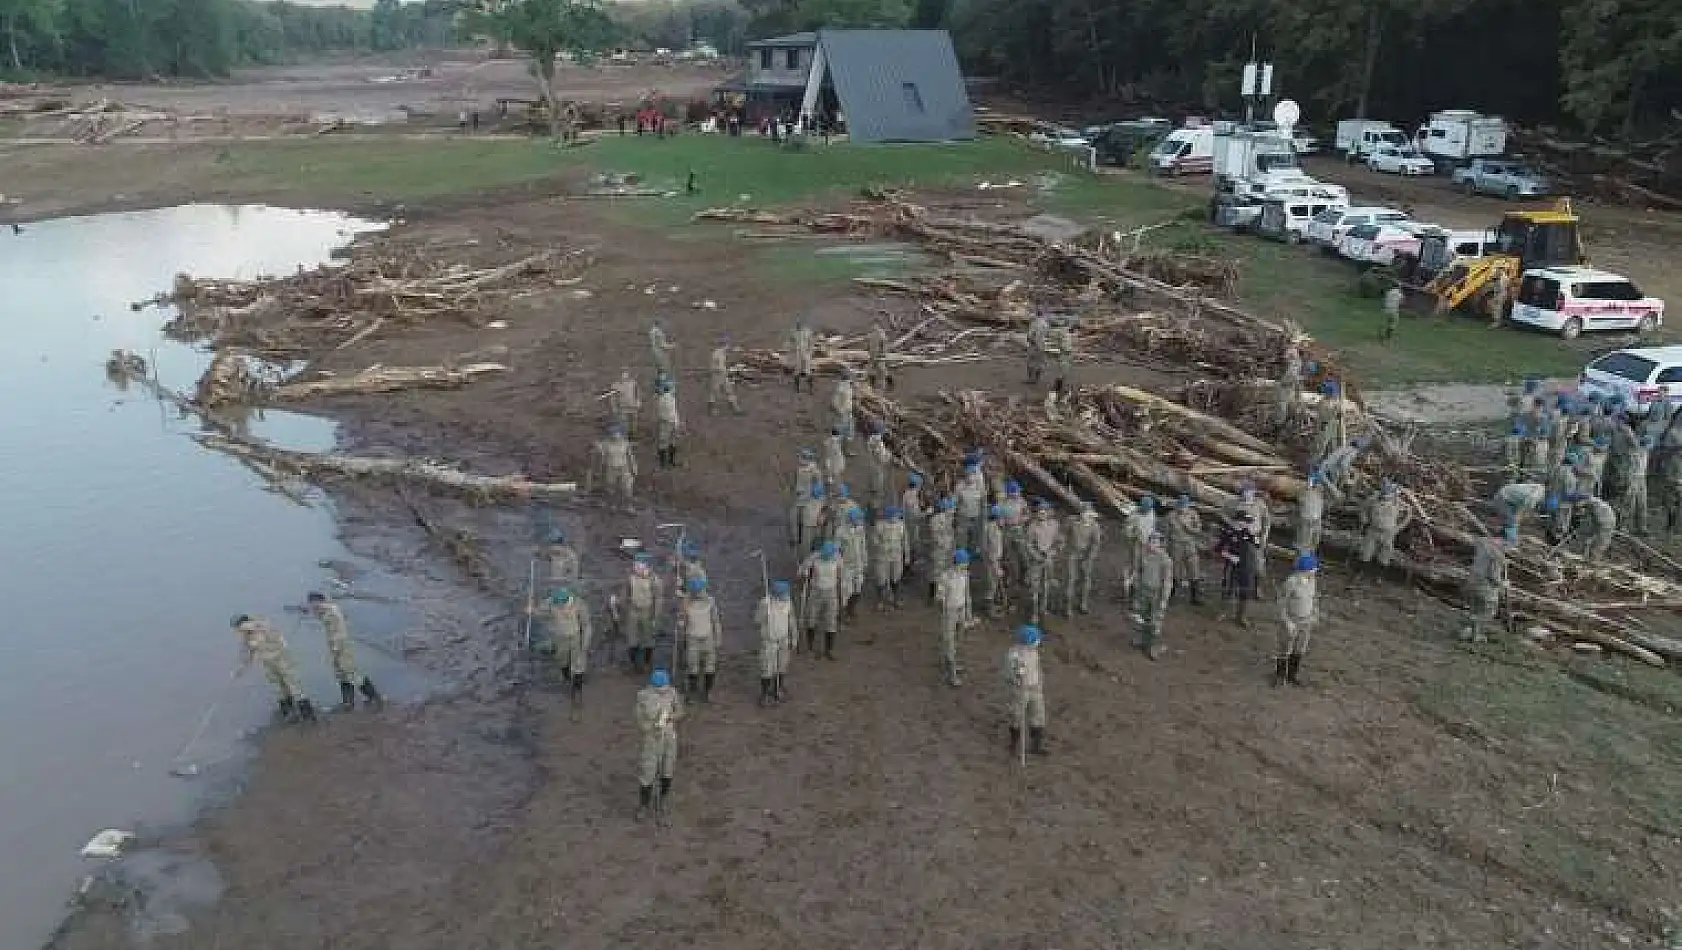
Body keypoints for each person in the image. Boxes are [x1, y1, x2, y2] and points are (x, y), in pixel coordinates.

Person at [233, 614, 316, 723]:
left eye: (239, 627)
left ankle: (307, 712)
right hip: (267, 663)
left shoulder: (264, 627)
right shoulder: (246, 637)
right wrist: (240, 669)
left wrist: (256, 628)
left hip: (282, 659)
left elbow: (278, 638)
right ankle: (288, 712)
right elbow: (246, 654)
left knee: (293, 684)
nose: (239, 631)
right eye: (237, 629)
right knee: (278, 688)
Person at [308, 592, 381, 710]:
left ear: (318, 601)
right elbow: (320, 615)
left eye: (312, 603)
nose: (311, 606)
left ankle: (373, 696)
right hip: (335, 646)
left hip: (342, 646)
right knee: (340, 674)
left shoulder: (332, 613)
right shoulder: (325, 610)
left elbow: (340, 632)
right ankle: (348, 702)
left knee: (351, 673)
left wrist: (336, 650)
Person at [634, 669, 684, 821]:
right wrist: (653, 726)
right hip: (651, 739)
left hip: (669, 737)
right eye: (661, 689)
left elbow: (680, 711)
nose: (664, 692)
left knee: (667, 770)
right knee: (647, 773)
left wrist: (670, 717)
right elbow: (640, 722)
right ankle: (644, 805)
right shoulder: (643, 696)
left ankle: (663, 800)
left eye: (666, 688)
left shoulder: (672, 693)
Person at [1460, 525, 1513, 642]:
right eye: (1507, 544)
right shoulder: (1497, 555)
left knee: (1474, 609)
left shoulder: (1482, 543)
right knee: (1488, 610)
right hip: (1484, 585)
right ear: (1502, 540)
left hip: (1472, 581)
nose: (1507, 548)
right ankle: (1476, 635)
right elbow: (1493, 576)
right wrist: (1503, 584)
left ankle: (1468, 631)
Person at [1275, 553, 1319, 686]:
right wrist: (1287, 621)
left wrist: (1315, 614)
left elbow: (1314, 598)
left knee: (1299, 649)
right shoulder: (1291, 582)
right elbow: (1281, 603)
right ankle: (1279, 676)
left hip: (1306, 621)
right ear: (1304, 570)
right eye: (1313, 569)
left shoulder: (1312, 581)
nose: (1315, 571)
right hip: (1292, 620)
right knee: (1285, 648)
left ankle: (1292, 675)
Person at [545, 588, 593, 710]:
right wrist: (531, 610)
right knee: (562, 660)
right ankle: (566, 676)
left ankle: (577, 690)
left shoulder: (579, 604)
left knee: (578, 664)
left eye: (562, 604)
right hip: (560, 638)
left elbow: (586, 625)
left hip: (575, 638)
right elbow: (541, 610)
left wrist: (585, 644)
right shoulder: (551, 602)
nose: (560, 606)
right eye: (558, 604)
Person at [1354, 480, 1412, 580]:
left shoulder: (1398, 503)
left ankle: (1379, 576)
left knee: (1384, 555)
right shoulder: (1373, 499)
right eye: (1385, 490)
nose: (1386, 494)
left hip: (1388, 533)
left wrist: (1399, 527)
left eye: (1389, 491)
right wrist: (1364, 519)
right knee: (1366, 552)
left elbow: (1409, 513)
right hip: (1373, 530)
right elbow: (1363, 508)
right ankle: (1360, 572)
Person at [1004, 625, 1048, 757]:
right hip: (1020, 690)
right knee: (1017, 716)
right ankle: (1014, 744)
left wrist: (1040, 683)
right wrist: (1016, 674)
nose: (1038, 642)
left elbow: (1038, 669)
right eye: (1036, 640)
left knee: (1038, 716)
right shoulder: (1014, 656)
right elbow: (1008, 675)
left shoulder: (1034, 652)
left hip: (1035, 688)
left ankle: (1036, 745)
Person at [676, 577, 721, 702]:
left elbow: (715, 621)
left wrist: (718, 638)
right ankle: (692, 692)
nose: (700, 592)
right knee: (692, 666)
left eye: (701, 590)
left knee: (710, 666)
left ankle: (708, 691)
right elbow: (682, 620)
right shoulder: (686, 603)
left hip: (708, 638)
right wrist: (680, 623)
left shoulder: (711, 601)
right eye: (697, 590)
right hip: (692, 638)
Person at [935, 550, 975, 686]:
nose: (965, 567)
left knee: (959, 637)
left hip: (961, 609)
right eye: (964, 564)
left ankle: (951, 662)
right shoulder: (945, 577)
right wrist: (945, 613)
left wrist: (968, 612)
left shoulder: (965, 575)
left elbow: (967, 594)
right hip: (949, 611)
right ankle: (952, 674)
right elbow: (939, 598)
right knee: (949, 640)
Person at [1132, 533, 1174, 659]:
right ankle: (1141, 640)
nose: (1152, 545)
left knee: (1155, 621)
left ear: (1160, 544)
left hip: (1157, 593)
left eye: (1155, 542)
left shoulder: (1165, 560)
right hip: (1143, 591)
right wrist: (1135, 585)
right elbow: (1138, 571)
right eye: (1151, 542)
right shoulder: (1144, 555)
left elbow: (1167, 581)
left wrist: (1164, 599)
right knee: (1142, 617)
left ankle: (1153, 647)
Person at [1216, 512, 1262, 627]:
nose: (1246, 524)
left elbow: (1257, 547)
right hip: (1233, 566)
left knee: (1245, 591)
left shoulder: (1250, 534)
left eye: (1248, 522)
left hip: (1247, 566)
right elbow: (1218, 549)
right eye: (1244, 521)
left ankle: (1241, 616)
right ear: (1237, 520)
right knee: (1229, 589)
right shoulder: (1229, 533)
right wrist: (1230, 556)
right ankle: (1223, 612)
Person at [618, 553, 662, 673]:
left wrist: (655, 617)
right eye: (635, 565)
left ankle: (648, 661)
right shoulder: (630, 578)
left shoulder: (654, 580)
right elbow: (624, 594)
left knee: (648, 639)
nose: (636, 567)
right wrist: (621, 607)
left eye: (639, 565)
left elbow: (658, 599)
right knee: (632, 639)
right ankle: (635, 663)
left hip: (647, 612)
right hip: (633, 611)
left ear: (646, 566)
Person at [799, 541, 843, 659]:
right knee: (812, 619)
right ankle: (810, 648)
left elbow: (840, 574)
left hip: (831, 592)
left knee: (831, 621)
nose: (828, 556)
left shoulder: (837, 558)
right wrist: (805, 574)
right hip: (816, 591)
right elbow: (802, 571)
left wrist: (839, 590)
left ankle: (829, 650)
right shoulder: (813, 558)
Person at [756, 580, 797, 706]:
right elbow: (757, 620)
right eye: (783, 593)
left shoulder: (788, 602)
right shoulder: (765, 603)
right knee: (767, 668)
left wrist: (794, 637)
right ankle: (764, 694)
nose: (785, 595)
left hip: (784, 640)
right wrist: (765, 613)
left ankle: (777, 689)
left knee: (782, 666)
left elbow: (792, 621)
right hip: (769, 641)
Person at [1023, 500, 1062, 623]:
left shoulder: (1054, 525)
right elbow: (1028, 544)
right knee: (1035, 588)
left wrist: (1054, 551)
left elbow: (1059, 540)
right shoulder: (1032, 527)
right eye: (1040, 511)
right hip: (1036, 561)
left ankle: (1043, 608)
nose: (1042, 513)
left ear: (1049, 512)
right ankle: (1034, 613)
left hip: (1049, 559)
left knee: (1046, 585)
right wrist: (1036, 556)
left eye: (1044, 511)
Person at [1062, 500, 1103, 615]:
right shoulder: (1072, 521)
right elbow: (1064, 533)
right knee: (1071, 579)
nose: (1086, 515)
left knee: (1085, 580)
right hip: (1073, 554)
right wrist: (1062, 544)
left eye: (1088, 512)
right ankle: (1068, 606)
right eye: (1084, 512)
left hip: (1086, 555)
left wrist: (1090, 558)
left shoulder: (1095, 526)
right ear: (1080, 512)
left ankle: (1083, 603)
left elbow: (1096, 543)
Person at [1165, 494, 1205, 605]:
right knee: (1174, 570)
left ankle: (1195, 596)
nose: (1182, 508)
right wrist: (1165, 547)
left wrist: (1189, 528)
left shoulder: (1193, 514)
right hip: (1175, 545)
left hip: (1190, 545)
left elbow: (1198, 530)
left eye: (1185, 506)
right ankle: (1172, 595)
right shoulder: (1171, 515)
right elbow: (1166, 533)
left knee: (1194, 569)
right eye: (1181, 505)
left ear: (1188, 505)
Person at [871, 506, 910, 610]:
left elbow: (905, 541)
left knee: (896, 578)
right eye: (895, 515)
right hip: (883, 556)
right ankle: (880, 600)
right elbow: (874, 540)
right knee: (881, 579)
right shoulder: (880, 526)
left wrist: (907, 556)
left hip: (896, 555)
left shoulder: (901, 525)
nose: (896, 517)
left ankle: (896, 598)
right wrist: (881, 547)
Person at [1121, 494, 1158, 599]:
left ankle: (1141, 587)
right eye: (1146, 508)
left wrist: (1153, 540)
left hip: (1148, 544)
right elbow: (1126, 531)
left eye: (1149, 508)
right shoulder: (1134, 515)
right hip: (1136, 544)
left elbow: (1153, 528)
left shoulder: (1152, 514)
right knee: (1134, 565)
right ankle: (1130, 588)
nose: (1148, 510)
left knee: (1146, 565)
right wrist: (1134, 535)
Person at [594, 424, 637, 510]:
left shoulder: (625, 443)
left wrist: (634, 467)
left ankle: (629, 506)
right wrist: (600, 469)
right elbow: (601, 453)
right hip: (610, 468)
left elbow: (630, 456)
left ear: (620, 434)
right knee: (610, 487)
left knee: (627, 487)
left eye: (616, 433)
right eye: (613, 434)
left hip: (624, 468)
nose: (615, 435)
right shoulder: (606, 443)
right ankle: (612, 504)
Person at [838, 506, 870, 621]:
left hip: (858, 564)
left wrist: (865, 562)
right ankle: (843, 613)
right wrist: (839, 565)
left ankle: (852, 609)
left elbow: (863, 547)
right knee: (846, 591)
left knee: (858, 588)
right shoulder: (841, 531)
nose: (859, 521)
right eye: (858, 519)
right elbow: (837, 550)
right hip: (846, 565)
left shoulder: (860, 529)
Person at [979, 504, 1009, 617]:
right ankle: (990, 610)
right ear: (998, 517)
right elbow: (993, 551)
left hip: (989, 559)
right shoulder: (994, 531)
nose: (1004, 520)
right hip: (992, 561)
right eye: (1002, 518)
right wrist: (997, 567)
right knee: (992, 584)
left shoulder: (990, 526)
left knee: (991, 583)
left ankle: (990, 604)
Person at [926, 496, 957, 601]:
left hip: (947, 548)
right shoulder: (936, 520)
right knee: (936, 571)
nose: (952, 511)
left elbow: (952, 533)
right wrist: (944, 544)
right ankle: (933, 594)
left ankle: (942, 593)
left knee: (945, 571)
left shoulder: (950, 518)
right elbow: (935, 536)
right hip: (939, 549)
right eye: (950, 509)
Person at [1620, 436, 1652, 534]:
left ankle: (1641, 527)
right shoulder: (1632, 452)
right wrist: (1627, 480)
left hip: (1641, 478)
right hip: (1632, 478)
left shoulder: (1645, 452)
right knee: (1629, 503)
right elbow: (1627, 468)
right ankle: (1623, 525)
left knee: (1642, 503)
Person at [1575, 493, 1617, 560]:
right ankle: (1587, 557)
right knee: (1588, 540)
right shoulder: (1592, 504)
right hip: (1599, 522)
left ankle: (1594, 560)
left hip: (1606, 523)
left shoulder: (1594, 503)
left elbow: (1587, 515)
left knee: (1600, 544)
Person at [707, 336, 742, 415]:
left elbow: (730, 351)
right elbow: (714, 366)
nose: (729, 346)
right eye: (728, 344)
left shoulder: (722, 352)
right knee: (715, 393)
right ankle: (712, 409)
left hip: (722, 375)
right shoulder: (717, 353)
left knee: (729, 391)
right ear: (725, 344)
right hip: (717, 375)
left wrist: (736, 349)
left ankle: (735, 408)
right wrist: (721, 371)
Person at [1273, 343, 1302, 431]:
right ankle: (1279, 427)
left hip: (1288, 388)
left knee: (1285, 408)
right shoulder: (1292, 364)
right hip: (1285, 388)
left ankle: (1281, 427)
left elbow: (1294, 380)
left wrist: (1298, 394)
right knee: (1282, 408)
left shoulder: (1294, 365)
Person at [901, 472, 927, 569]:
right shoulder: (911, 497)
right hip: (910, 524)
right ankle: (909, 564)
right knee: (911, 542)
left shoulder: (908, 493)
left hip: (908, 522)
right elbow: (915, 515)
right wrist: (927, 513)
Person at [654, 379, 683, 468]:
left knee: (667, 442)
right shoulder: (666, 399)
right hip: (668, 422)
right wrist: (676, 423)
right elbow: (669, 413)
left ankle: (665, 462)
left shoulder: (666, 398)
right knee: (668, 442)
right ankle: (669, 461)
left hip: (668, 422)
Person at [864, 424, 893, 511]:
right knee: (878, 485)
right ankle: (876, 504)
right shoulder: (879, 444)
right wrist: (889, 455)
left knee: (873, 482)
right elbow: (882, 458)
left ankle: (873, 496)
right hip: (878, 466)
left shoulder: (870, 439)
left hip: (871, 463)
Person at [1296, 472, 1325, 553]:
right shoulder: (1305, 492)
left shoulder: (1321, 493)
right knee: (1304, 543)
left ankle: (1309, 558)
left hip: (1315, 520)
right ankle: (1302, 559)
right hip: (1307, 519)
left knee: (1314, 542)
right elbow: (1302, 502)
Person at [794, 482, 826, 551]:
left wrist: (822, 515)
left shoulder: (821, 500)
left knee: (815, 544)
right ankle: (805, 558)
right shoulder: (807, 501)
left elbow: (822, 511)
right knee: (807, 545)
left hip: (816, 526)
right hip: (808, 526)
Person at [609, 370, 641, 439]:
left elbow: (637, 392)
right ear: (619, 376)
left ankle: (633, 435)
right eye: (622, 375)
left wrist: (638, 401)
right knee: (624, 423)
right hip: (622, 407)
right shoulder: (615, 385)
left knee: (634, 422)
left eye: (625, 374)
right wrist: (614, 407)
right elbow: (613, 398)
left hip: (633, 406)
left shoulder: (633, 383)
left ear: (628, 375)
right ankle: (625, 437)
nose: (624, 376)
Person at [831, 373, 856, 454]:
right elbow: (835, 401)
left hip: (848, 411)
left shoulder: (848, 387)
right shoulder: (841, 388)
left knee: (848, 432)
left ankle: (845, 450)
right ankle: (839, 451)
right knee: (841, 431)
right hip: (843, 412)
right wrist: (839, 410)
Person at [1048, 318, 1075, 392]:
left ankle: (1059, 387)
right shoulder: (1063, 332)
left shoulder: (1064, 333)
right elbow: (1063, 345)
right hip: (1064, 353)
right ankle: (1057, 387)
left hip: (1066, 353)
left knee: (1063, 371)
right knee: (1062, 371)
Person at [789, 319, 815, 393]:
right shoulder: (794, 333)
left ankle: (810, 389)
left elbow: (811, 342)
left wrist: (810, 352)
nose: (798, 325)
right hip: (797, 355)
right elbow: (791, 344)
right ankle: (796, 388)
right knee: (797, 372)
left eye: (799, 324)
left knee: (808, 371)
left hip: (806, 354)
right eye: (797, 324)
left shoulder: (807, 332)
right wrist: (792, 353)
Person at [867, 323, 893, 390]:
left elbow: (881, 347)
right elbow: (871, 347)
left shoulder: (880, 336)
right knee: (878, 370)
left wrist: (881, 355)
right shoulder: (875, 336)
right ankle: (875, 385)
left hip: (879, 356)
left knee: (880, 370)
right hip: (876, 356)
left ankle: (881, 386)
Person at [1025, 312, 1049, 384]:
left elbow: (1030, 335)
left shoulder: (1034, 323)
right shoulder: (1045, 324)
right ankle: (1037, 379)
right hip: (1043, 345)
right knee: (1040, 363)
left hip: (1034, 345)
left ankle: (1030, 379)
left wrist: (1029, 341)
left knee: (1031, 362)